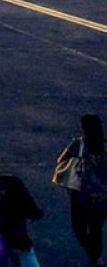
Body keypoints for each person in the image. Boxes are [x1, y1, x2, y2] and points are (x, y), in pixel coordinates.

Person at [57, 113, 107, 267]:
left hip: (81, 194)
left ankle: (94, 256)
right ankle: (95, 259)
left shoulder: (79, 144)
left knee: (79, 229)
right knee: (96, 229)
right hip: (103, 197)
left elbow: (61, 160)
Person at [0, 174, 43, 266]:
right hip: (17, 243)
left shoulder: (7, 204)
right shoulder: (14, 201)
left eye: (0, 188)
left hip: (11, 243)